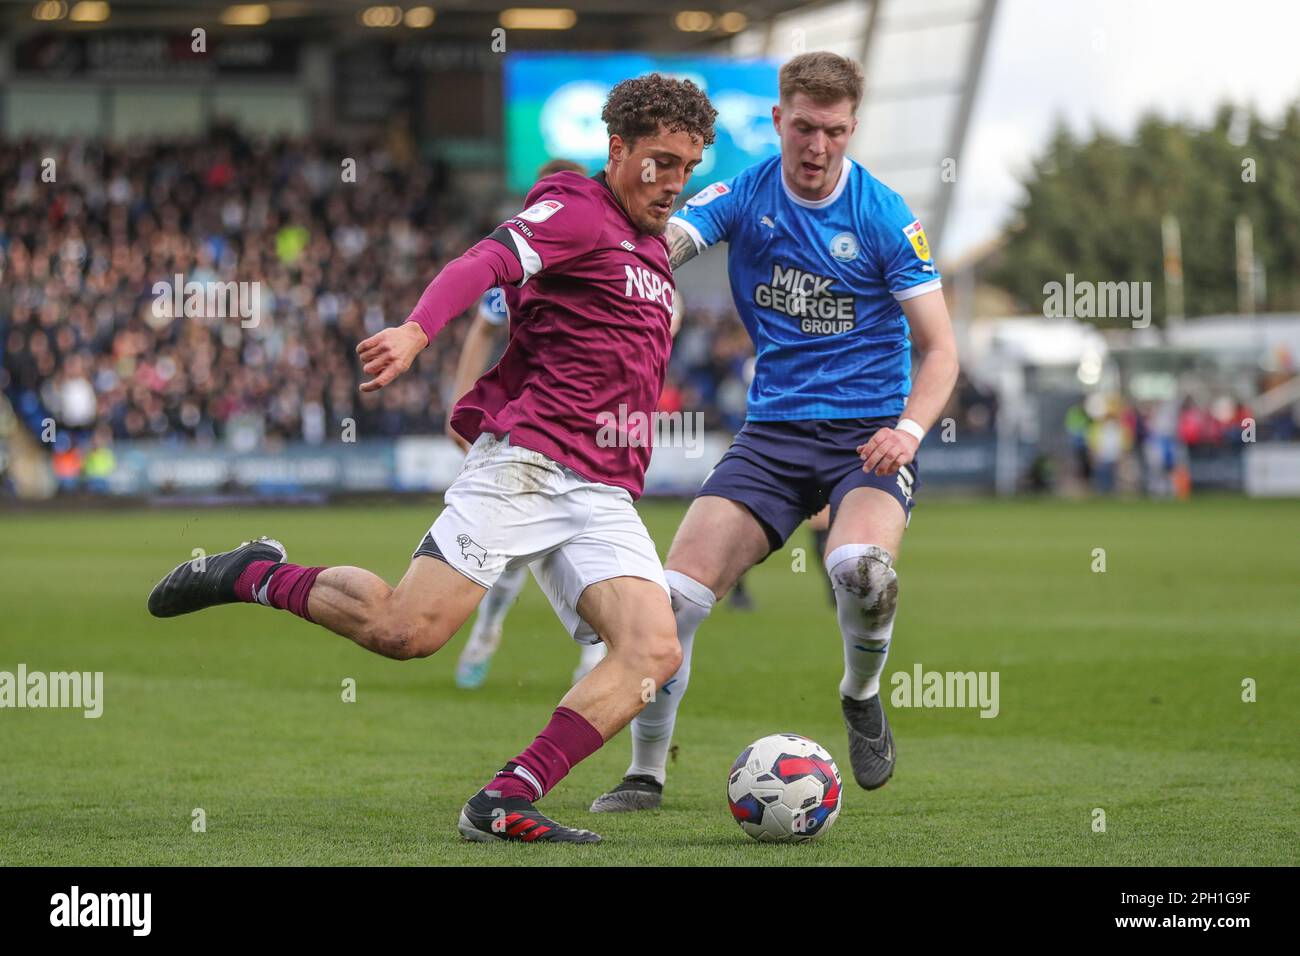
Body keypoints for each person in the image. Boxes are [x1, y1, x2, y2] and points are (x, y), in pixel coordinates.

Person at [148, 73, 717, 844]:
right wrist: (418, 330)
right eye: (659, 161)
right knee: (403, 631)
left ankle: (505, 799)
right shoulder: (575, 211)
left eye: (688, 166)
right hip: (529, 465)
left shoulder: (652, 244)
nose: (673, 182)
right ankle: (252, 572)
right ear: (616, 150)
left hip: (604, 490)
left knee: (653, 652)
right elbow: (482, 263)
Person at [590, 51, 960, 813]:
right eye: (803, 127)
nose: (817, 146)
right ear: (777, 121)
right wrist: (631, 272)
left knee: (861, 569)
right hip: (773, 435)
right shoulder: (745, 191)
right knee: (673, 601)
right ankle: (646, 772)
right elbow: (670, 241)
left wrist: (911, 431)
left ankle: (860, 694)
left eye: (833, 131)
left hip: (868, 437)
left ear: (852, 127)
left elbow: (942, 350)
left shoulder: (886, 216)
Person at [447, 158, 609, 690]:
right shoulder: (528, 260)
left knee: (596, 535)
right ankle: (488, 628)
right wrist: (462, 404)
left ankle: (595, 657)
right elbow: (483, 328)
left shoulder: (615, 259)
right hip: (528, 421)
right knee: (510, 551)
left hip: (601, 426)